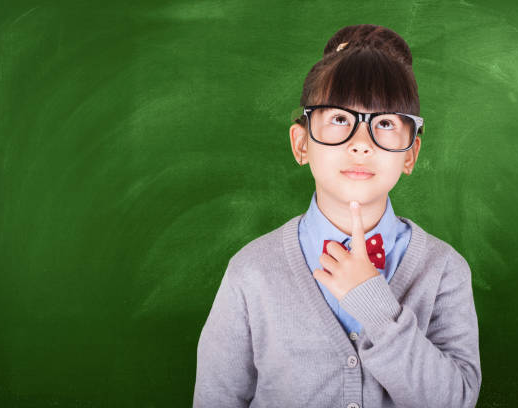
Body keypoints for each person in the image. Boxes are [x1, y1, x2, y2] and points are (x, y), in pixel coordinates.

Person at [193, 24, 481, 408]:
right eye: (340, 120)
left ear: (410, 153)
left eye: (385, 123)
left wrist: (375, 305)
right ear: (301, 144)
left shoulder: (445, 269)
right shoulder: (251, 272)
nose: (361, 144)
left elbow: (456, 401)